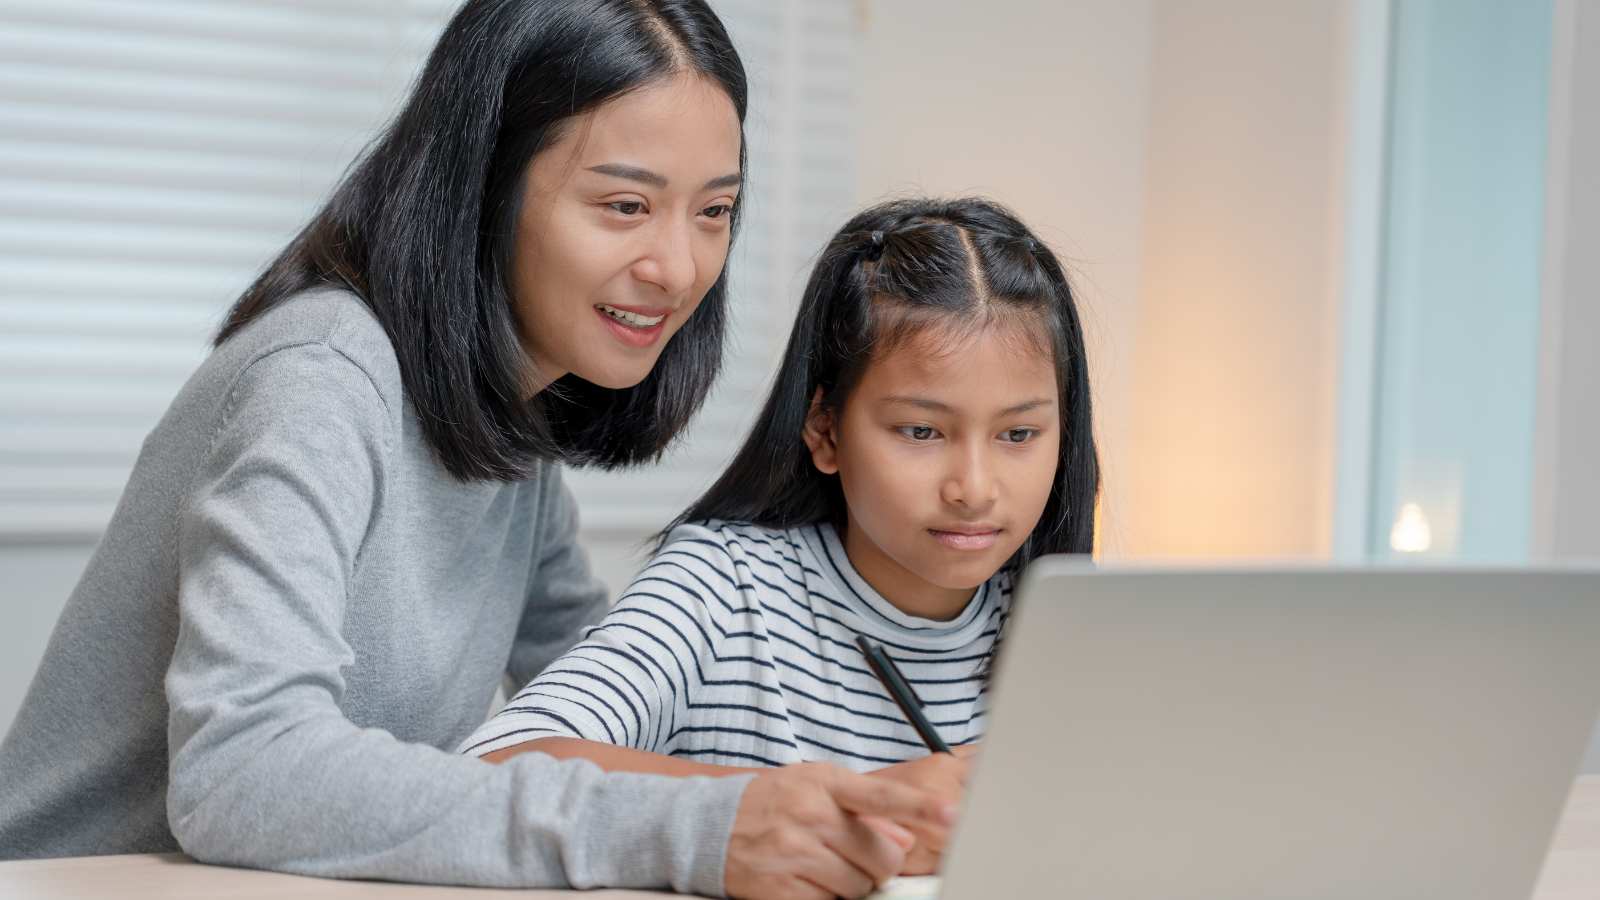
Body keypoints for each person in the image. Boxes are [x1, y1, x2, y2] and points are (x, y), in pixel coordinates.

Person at [0, 3, 952, 896]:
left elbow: (604, 695)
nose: (680, 266)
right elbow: (242, 771)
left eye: (714, 211)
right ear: (486, 186)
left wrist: (868, 802)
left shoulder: (508, 422)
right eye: (625, 206)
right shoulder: (319, 379)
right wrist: (694, 826)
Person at [461, 196, 1102, 891]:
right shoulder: (722, 587)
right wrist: (828, 811)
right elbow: (494, 770)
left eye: (1018, 435)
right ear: (825, 430)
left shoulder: (1071, 630)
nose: (974, 488)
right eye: (921, 431)